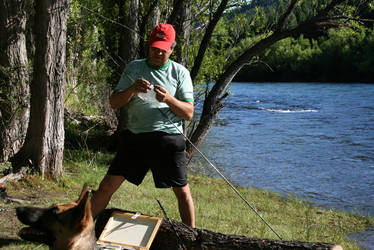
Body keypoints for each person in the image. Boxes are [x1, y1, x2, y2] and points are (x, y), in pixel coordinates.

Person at [91, 23, 195, 228]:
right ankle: (82, 229)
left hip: (168, 138)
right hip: (135, 137)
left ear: (171, 49)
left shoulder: (179, 73)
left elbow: (189, 113)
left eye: (163, 49)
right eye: (154, 47)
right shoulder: (134, 68)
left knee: (183, 192)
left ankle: (191, 239)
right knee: (106, 186)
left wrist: (169, 99)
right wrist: (131, 90)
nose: (157, 52)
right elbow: (114, 103)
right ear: (149, 46)